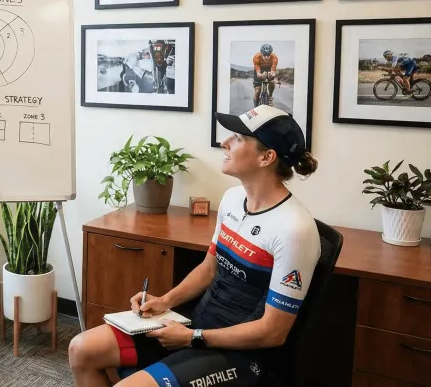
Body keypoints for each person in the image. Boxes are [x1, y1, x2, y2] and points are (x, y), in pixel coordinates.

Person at [68, 105, 321, 387]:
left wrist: (193, 338)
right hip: (196, 324)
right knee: (82, 349)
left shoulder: (294, 229)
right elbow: (209, 268)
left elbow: (273, 332)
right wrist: (164, 302)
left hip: (240, 352)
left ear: (267, 157)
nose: (225, 142)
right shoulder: (232, 199)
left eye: (238, 138)